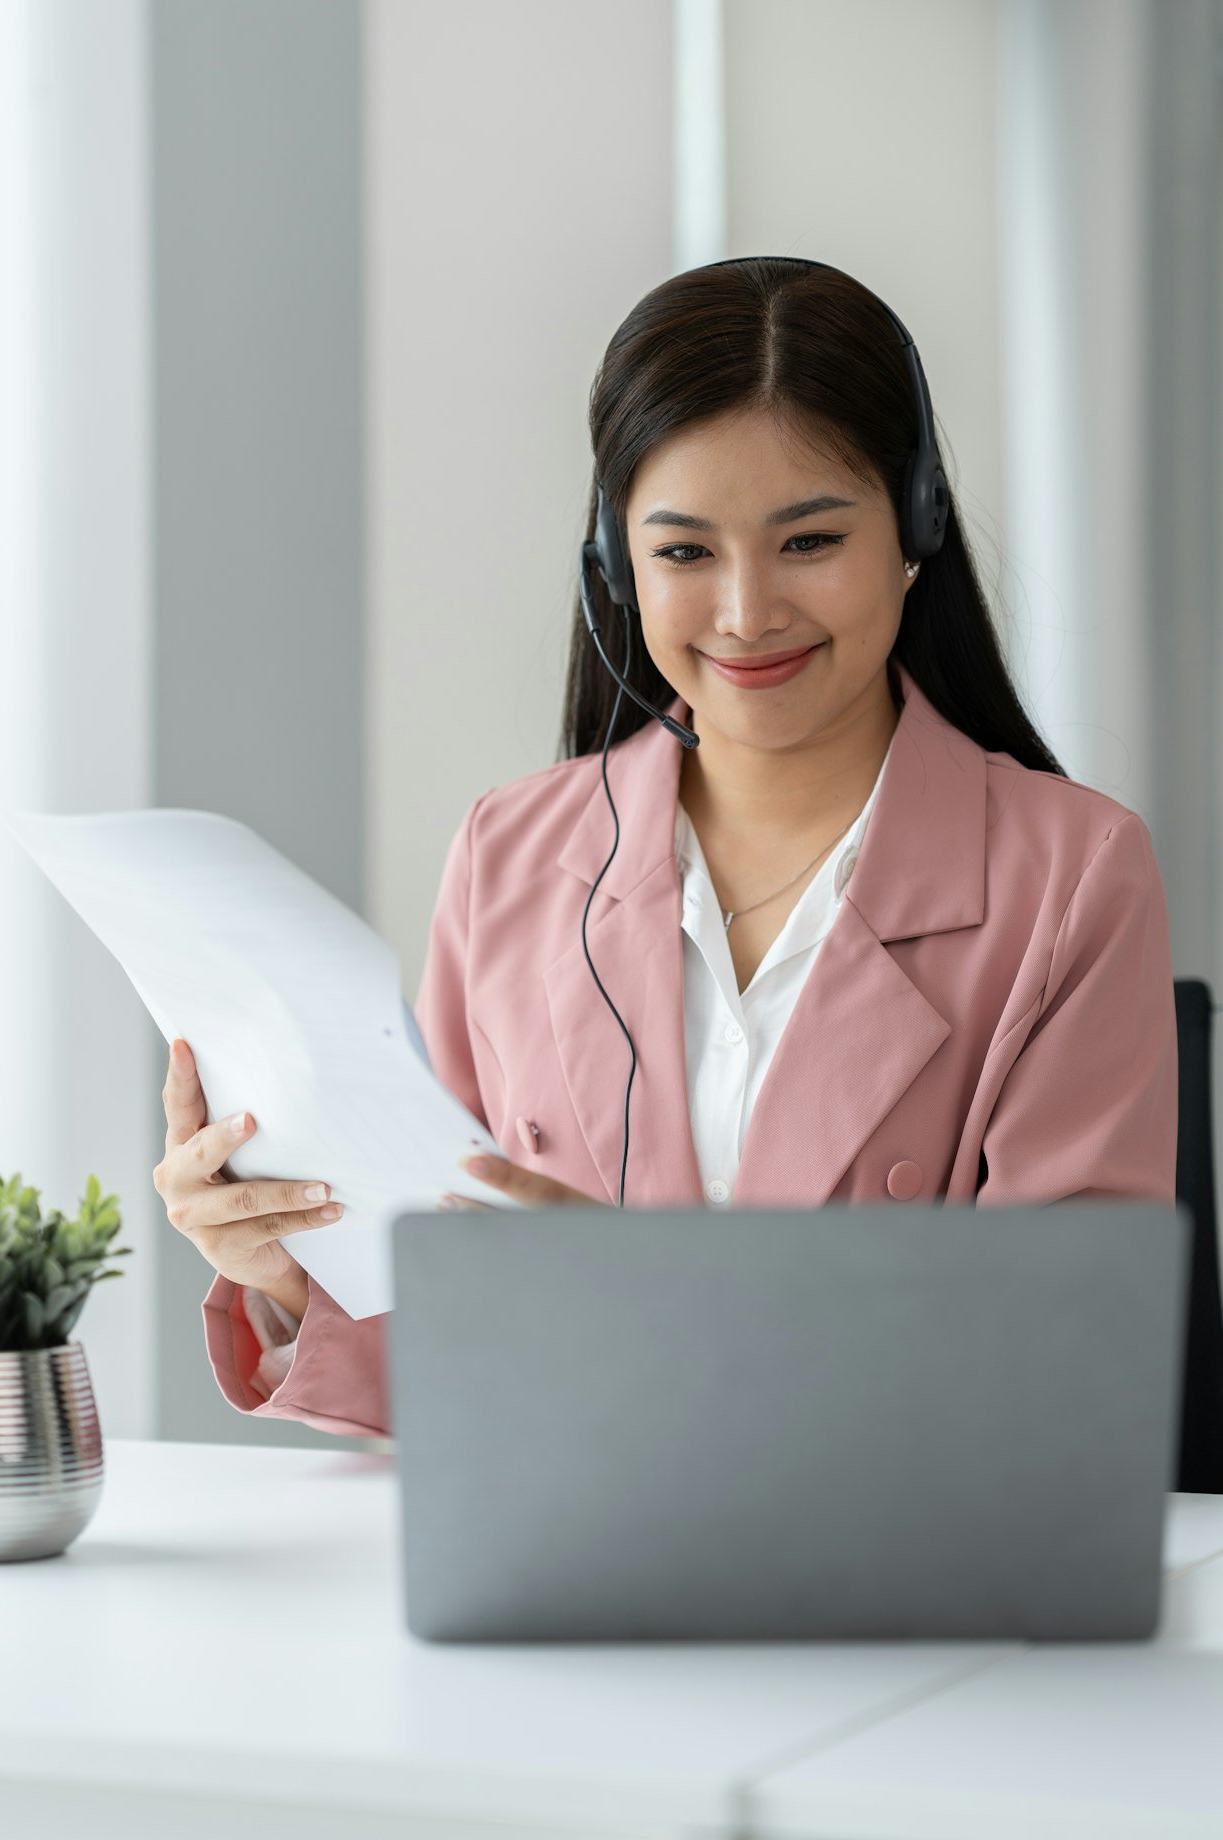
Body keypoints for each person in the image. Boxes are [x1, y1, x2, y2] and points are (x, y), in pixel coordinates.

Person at [152, 256, 1178, 1441]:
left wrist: (648, 1299)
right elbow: (454, 1338)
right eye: (684, 552)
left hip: (894, 1590)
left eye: (809, 541)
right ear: (615, 564)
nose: (746, 612)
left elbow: (1067, 1362)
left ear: (915, 527)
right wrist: (283, 1261)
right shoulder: (511, 851)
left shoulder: (1071, 873)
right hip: (565, 1562)